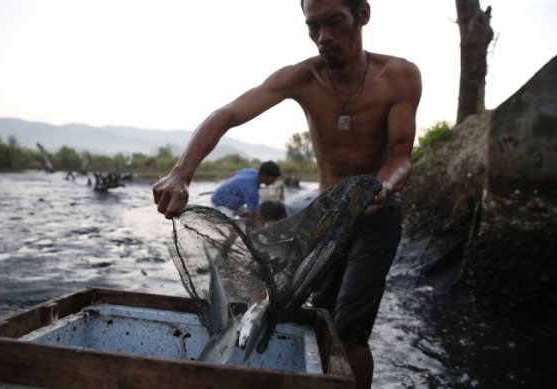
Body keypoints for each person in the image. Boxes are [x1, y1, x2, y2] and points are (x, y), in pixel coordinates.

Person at [153, 0, 421, 387]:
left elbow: (401, 159)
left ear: (362, 14)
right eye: (313, 27)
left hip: (377, 212)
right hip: (328, 216)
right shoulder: (302, 78)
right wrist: (180, 173)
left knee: (350, 329)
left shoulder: (399, 76)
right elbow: (227, 114)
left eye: (335, 22)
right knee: (318, 313)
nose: (323, 37)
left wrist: (381, 187)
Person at [210, 161, 281, 225]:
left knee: (249, 217)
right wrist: (263, 228)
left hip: (233, 202)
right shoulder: (251, 189)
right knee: (233, 226)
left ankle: (238, 221)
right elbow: (255, 214)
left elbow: (233, 174)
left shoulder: (252, 171)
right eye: (273, 178)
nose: (273, 181)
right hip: (220, 204)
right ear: (264, 175)